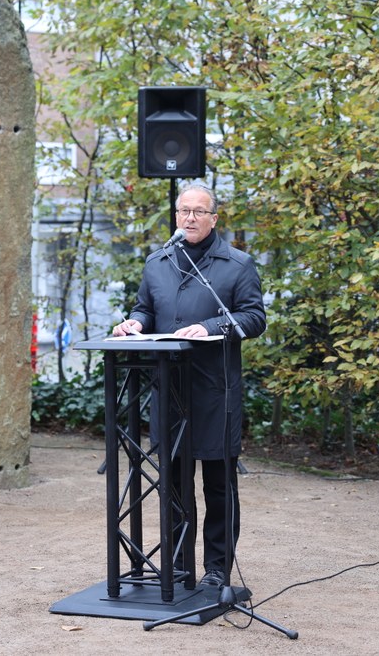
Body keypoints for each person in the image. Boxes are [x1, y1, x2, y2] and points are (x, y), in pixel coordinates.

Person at [111, 182, 266, 588]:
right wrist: (135, 323)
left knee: (218, 488)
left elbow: (254, 317)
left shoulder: (237, 264)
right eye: (184, 211)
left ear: (214, 219)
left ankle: (217, 571)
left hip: (216, 393)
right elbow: (145, 306)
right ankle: (181, 568)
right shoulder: (158, 261)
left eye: (199, 212)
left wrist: (212, 326)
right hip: (170, 392)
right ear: (175, 216)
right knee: (175, 488)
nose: (190, 218)